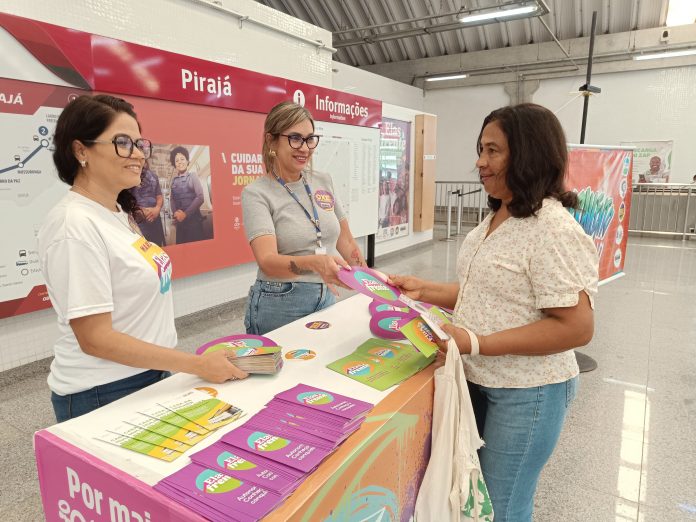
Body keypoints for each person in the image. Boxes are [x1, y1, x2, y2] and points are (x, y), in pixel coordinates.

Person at [390, 103, 598, 521]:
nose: (480, 163)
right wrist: (424, 289)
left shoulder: (552, 229)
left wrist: (477, 342)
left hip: (527, 394)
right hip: (480, 382)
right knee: (475, 501)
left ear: (528, 154)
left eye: (493, 151)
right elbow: (485, 293)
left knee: (502, 508)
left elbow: (577, 327)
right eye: (480, 150)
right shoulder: (499, 214)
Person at [38, 95, 247, 422]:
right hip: (104, 391)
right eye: (123, 143)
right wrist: (196, 365)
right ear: (81, 151)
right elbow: (95, 339)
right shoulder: (74, 226)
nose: (137, 154)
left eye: (139, 143)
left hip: (146, 375)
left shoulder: (116, 212)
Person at [242, 101, 366, 335]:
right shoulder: (257, 193)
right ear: (271, 141)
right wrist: (316, 264)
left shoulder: (323, 181)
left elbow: (346, 242)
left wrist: (370, 282)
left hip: (325, 297)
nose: (305, 148)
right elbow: (267, 260)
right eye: (295, 138)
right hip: (280, 300)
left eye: (310, 139)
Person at [169, 146, 205, 244]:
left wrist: (185, 214)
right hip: (180, 222)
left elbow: (200, 197)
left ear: (187, 161)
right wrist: (176, 213)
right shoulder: (174, 181)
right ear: (174, 164)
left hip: (193, 221)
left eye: (182, 159)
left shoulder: (193, 176)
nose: (180, 162)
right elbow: (172, 200)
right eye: (176, 161)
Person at [130, 160, 165, 246]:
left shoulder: (154, 176)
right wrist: (141, 211)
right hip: (139, 222)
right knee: (143, 250)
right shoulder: (130, 175)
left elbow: (159, 196)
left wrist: (157, 209)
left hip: (156, 219)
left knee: (158, 247)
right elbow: (126, 198)